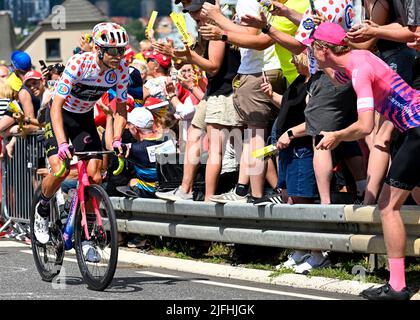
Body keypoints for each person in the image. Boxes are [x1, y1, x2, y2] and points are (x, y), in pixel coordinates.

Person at [308, 22, 420, 300]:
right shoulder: (359, 57)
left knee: (387, 206)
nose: (311, 53)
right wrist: (324, 65)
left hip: (416, 130)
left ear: (323, 49)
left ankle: (396, 287)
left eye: (313, 48)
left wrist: (337, 135)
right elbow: (340, 76)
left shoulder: (358, 70)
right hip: (413, 129)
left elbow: (365, 126)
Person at [34, 22, 130, 248]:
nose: (118, 56)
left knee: (95, 177)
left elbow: (121, 107)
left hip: (83, 118)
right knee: (61, 169)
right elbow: (56, 105)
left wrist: (117, 139)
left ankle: (86, 237)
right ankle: (43, 207)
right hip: (59, 116)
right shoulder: (79, 63)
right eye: (114, 51)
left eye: (122, 50)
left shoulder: (122, 70)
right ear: (99, 50)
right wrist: (61, 143)